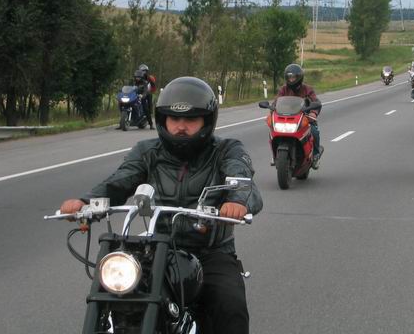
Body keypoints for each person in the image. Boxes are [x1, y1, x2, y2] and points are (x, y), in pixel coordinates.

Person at [60, 77, 263, 334]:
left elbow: (242, 180)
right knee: (115, 293)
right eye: (174, 119)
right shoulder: (147, 151)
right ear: (163, 119)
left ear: (207, 120)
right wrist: (86, 202)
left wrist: (237, 201)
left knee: (230, 305)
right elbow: (120, 180)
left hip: (211, 252)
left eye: (191, 119)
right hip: (157, 249)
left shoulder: (225, 150)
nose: (181, 127)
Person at [275, 63, 323, 168]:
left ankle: (315, 155)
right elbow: (276, 102)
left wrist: (313, 112)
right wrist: (272, 108)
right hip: (287, 117)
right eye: (289, 77)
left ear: (299, 77)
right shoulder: (283, 89)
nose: (291, 79)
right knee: (273, 131)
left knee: (314, 131)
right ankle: (275, 154)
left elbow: (316, 102)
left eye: (293, 77)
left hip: (305, 117)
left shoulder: (307, 89)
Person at [138, 63, 157, 129]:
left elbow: (153, 86)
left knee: (146, 108)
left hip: (147, 93)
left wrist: (150, 91)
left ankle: (151, 124)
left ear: (146, 71)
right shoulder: (137, 77)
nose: (143, 72)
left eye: (144, 71)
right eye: (141, 71)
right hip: (138, 93)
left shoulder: (149, 78)